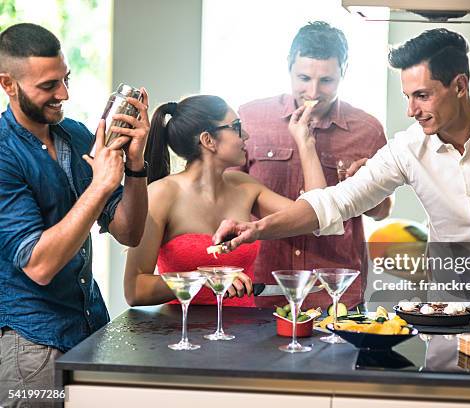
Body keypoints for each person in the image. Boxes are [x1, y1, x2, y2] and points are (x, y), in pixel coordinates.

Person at [212, 28, 470, 272]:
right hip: (450, 302)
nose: (412, 110)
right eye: (408, 96)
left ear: (460, 86)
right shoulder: (408, 148)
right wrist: (256, 229)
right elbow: (336, 202)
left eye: (423, 96)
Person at [0, 23, 149, 406]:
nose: (63, 94)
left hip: (90, 329)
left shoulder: (77, 136)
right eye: (48, 86)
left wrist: (134, 167)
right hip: (31, 349)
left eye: (65, 79)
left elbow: (129, 233)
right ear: (8, 84)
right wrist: (100, 185)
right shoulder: (3, 155)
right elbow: (39, 265)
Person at [238, 21, 391, 309]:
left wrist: (363, 191)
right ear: (289, 68)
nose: (313, 91)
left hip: (336, 291)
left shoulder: (367, 129)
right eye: (304, 78)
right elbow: (228, 199)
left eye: (326, 81)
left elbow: (382, 211)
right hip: (262, 288)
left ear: (343, 72)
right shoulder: (250, 118)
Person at [123, 95, 326, 307]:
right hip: (180, 334)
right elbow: (135, 290)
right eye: (237, 127)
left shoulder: (245, 186)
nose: (246, 136)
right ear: (208, 140)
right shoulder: (160, 194)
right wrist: (201, 278)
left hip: (244, 334)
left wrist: (306, 142)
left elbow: (315, 214)